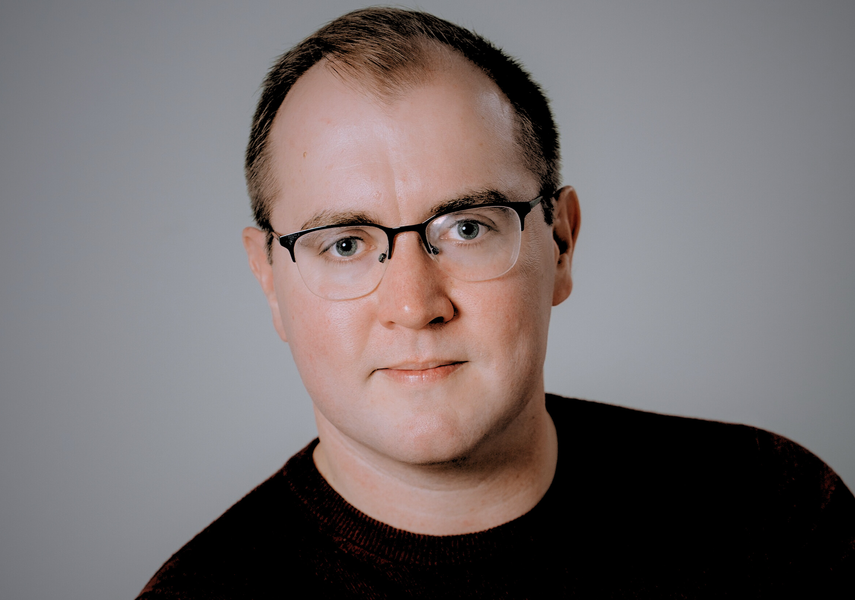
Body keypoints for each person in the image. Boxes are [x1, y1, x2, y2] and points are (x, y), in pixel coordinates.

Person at [137, 7, 854, 598]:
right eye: (345, 244)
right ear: (269, 279)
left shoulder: (773, 509)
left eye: (467, 228)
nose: (414, 305)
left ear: (560, 243)